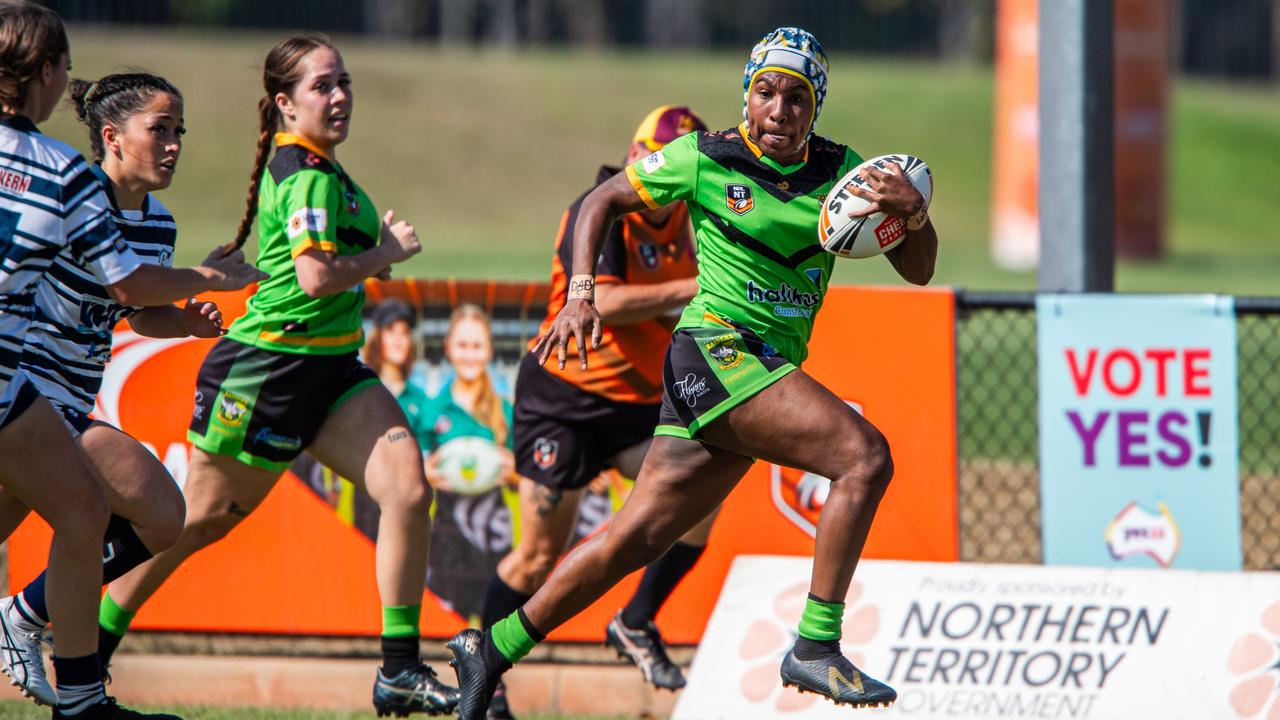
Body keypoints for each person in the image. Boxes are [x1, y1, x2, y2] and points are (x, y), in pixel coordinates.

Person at [449, 27, 937, 717]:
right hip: (716, 351)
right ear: (747, 94)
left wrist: (913, 215)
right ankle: (817, 645)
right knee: (864, 458)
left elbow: (919, 271)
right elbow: (601, 201)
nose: (778, 110)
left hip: (758, 366)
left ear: (815, 108)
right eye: (765, 91)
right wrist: (582, 291)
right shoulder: (706, 159)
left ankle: (491, 647)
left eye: (796, 98)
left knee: (633, 539)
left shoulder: (844, 173)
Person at [91, 35, 458, 717]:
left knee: (407, 490)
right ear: (286, 104)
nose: (341, 95)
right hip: (267, 372)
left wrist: (367, 260)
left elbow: (315, 265)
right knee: (192, 524)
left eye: (344, 81)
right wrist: (385, 250)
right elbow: (316, 278)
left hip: (332, 370)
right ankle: (83, 651)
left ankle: (399, 670)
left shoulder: (324, 171)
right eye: (323, 86)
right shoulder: (305, 172)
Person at [0, 5, 260, 717]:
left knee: (103, 517)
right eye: (160, 129)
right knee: (154, 513)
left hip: (52, 401)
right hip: (36, 392)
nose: (174, 144)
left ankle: (32, 631)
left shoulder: (158, 222)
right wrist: (211, 280)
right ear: (110, 137)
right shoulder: (70, 185)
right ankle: (42, 644)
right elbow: (124, 282)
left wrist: (183, 322)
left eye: (180, 131)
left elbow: (133, 307)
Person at [476, 105, 709, 720]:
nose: (664, 175)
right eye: (653, 159)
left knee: (700, 505)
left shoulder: (693, 214)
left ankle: (635, 622)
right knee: (537, 555)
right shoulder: (601, 207)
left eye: (678, 167)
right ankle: (486, 673)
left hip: (638, 401)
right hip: (565, 401)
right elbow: (603, 301)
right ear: (634, 157)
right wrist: (690, 292)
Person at [418, 304, 516, 624]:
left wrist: (513, 471)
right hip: (448, 542)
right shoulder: (432, 411)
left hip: (494, 539)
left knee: (494, 635)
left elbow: (525, 482)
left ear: (489, 350)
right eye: (462, 346)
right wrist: (425, 475)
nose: (470, 354)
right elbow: (413, 478)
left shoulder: (506, 412)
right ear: (448, 348)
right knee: (444, 633)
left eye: (477, 346)